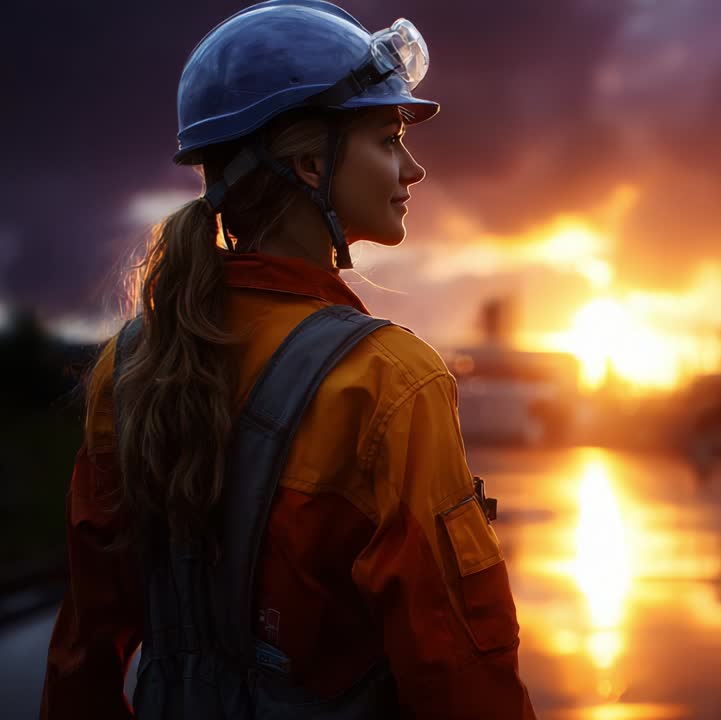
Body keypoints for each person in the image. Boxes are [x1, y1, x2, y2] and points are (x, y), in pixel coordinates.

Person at [39, 1, 538, 717]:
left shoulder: (129, 363)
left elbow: (83, 655)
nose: (414, 167)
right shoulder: (388, 381)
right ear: (310, 163)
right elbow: (458, 667)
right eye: (387, 137)